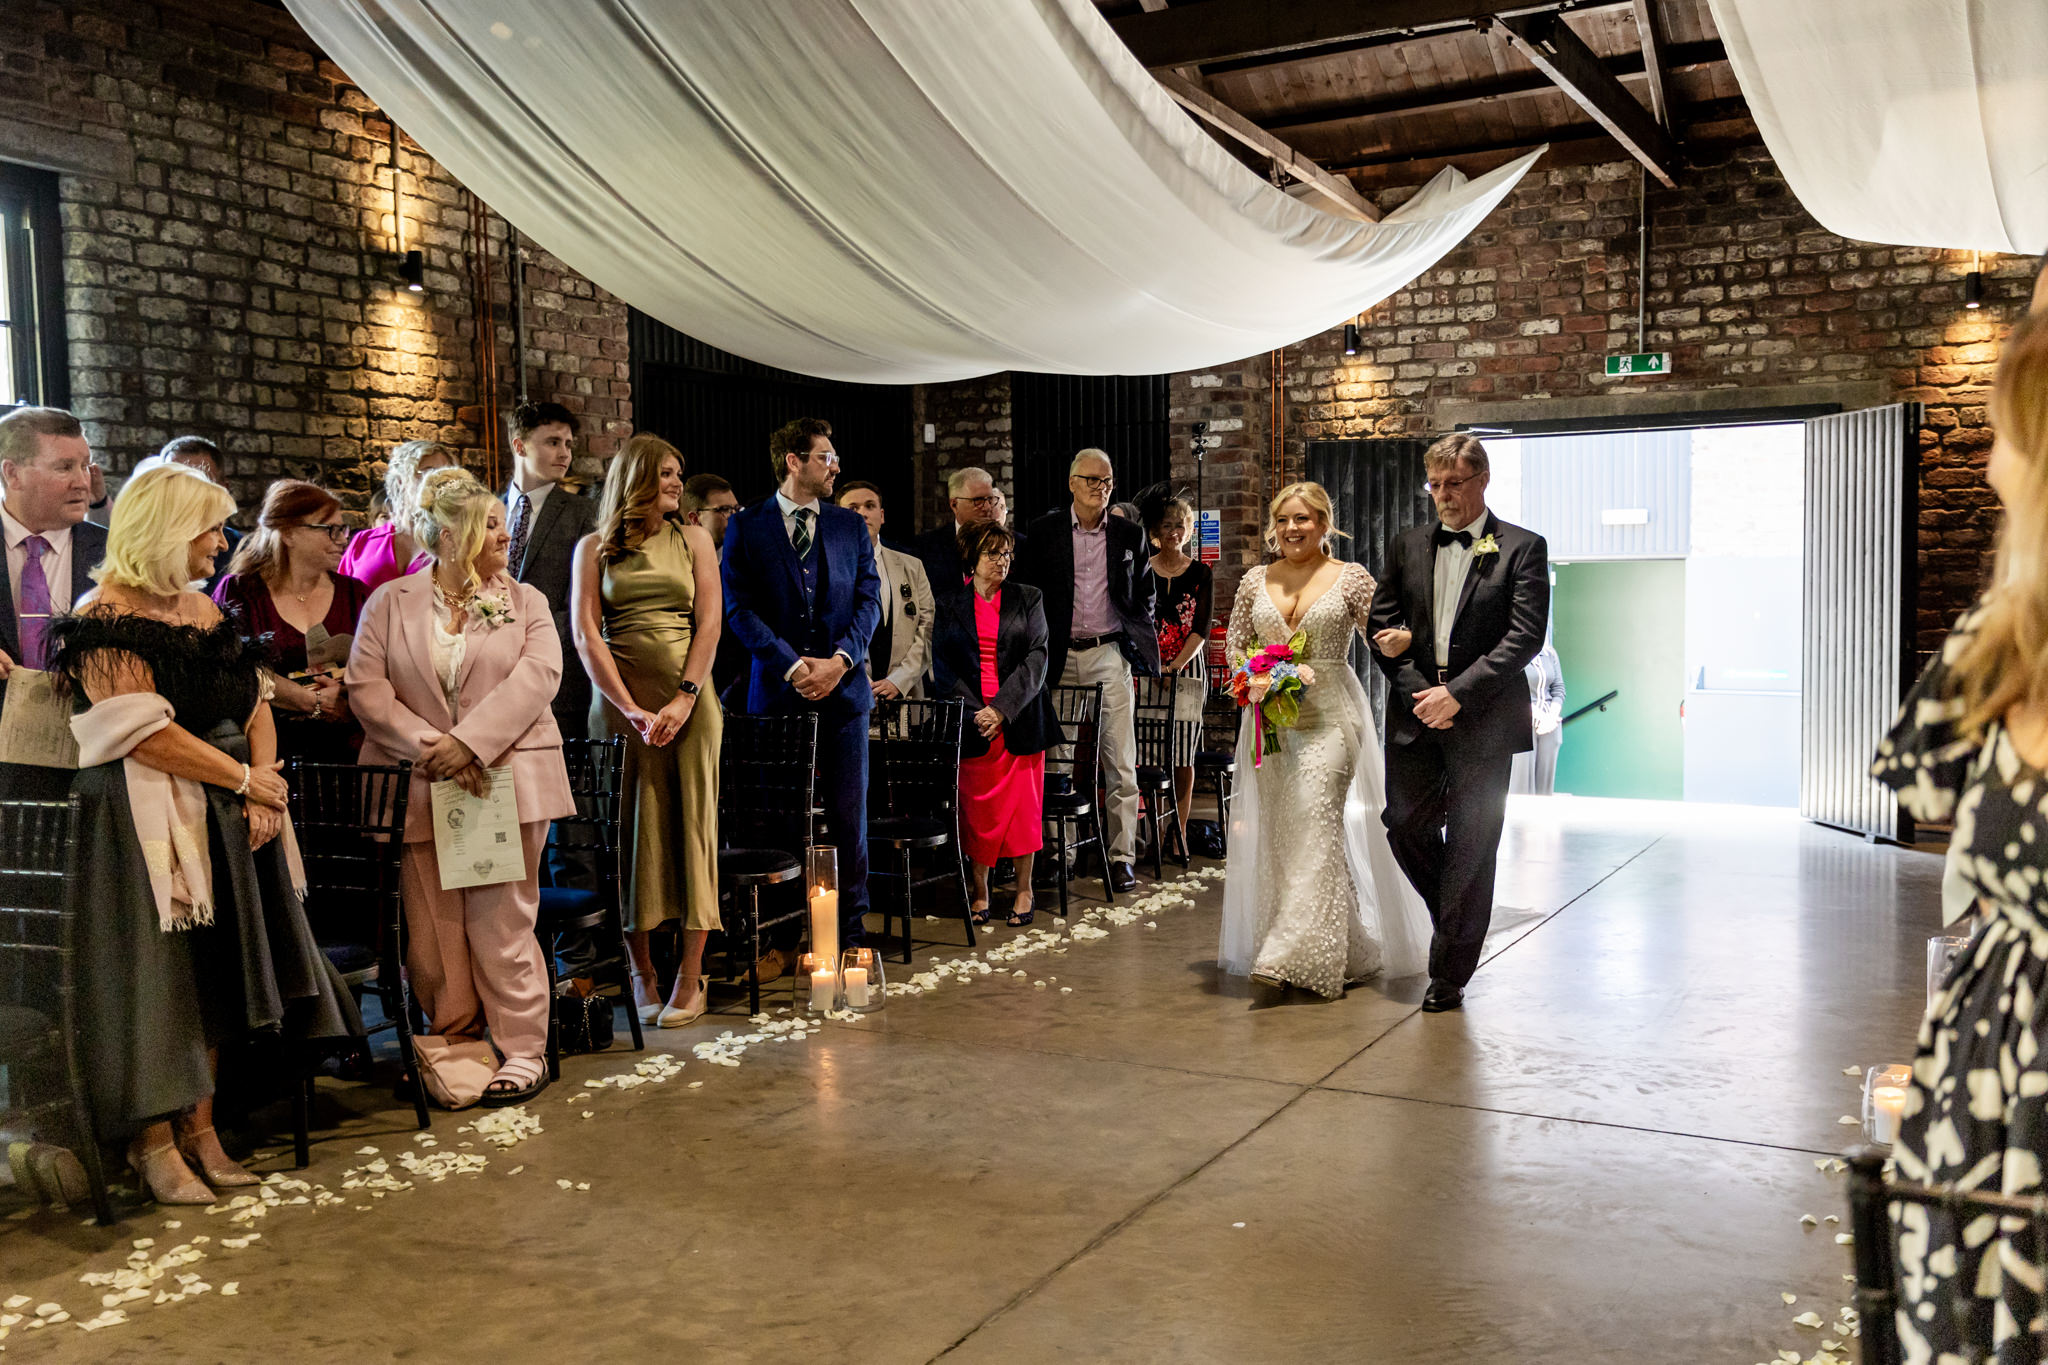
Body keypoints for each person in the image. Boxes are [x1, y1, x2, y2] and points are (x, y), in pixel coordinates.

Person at [50, 462, 353, 1203]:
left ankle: (204, 1128)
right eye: (210, 528)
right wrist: (243, 780)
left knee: (216, 971)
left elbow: (253, 696)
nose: (223, 542)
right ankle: (154, 1142)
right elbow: (141, 733)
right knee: (164, 978)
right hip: (142, 818)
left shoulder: (203, 610)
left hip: (222, 805)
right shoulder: (101, 617)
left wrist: (264, 781)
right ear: (166, 530)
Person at [1870, 308, 2048, 1360]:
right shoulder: (2006, 633)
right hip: (1989, 1074)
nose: (1983, 469)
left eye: (2001, 437)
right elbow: (1919, 778)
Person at [347, 467, 574, 1108]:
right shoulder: (389, 603)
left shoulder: (524, 601)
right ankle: (458, 1044)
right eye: (491, 525)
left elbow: (539, 678)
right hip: (419, 783)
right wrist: (436, 750)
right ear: (449, 535)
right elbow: (368, 690)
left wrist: (471, 744)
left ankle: (524, 1049)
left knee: (502, 920)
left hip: (508, 778)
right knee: (434, 928)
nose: (505, 535)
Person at [1216, 482, 1430, 998]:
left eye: (1305, 519)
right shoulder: (1253, 581)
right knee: (1287, 835)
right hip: (1270, 723)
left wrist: (1409, 639)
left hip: (1332, 717)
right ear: (1273, 526)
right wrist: (1252, 675)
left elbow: (1385, 630)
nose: (1293, 529)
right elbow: (1234, 646)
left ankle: (1291, 949)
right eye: (1285, 519)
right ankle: (1349, 946)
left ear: (1324, 523)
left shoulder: (1348, 578)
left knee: (1314, 817)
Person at [1368, 433, 1550, 1013]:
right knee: (1404, 825)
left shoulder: (1523, 548)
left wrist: (1458, 696)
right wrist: (1423, 693)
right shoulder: (1406, 545)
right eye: (1435, 485)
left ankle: (1449, 973)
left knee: (1474, 842)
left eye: (1454, 484)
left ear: (1482, 481)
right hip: (1415, 711)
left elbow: (1524, 638)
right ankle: (1458, 913)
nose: (1443, 496)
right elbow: (1382, 628)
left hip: (1485, 717)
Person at [572, 435, 723, 1028]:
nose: (675, 483)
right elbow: (586, 635)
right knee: (630, 834)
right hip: (617, 707)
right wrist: (629, 707)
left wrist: (684, 699)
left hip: (690, 704)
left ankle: (691, 974)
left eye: (678, 473)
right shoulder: (595, 547)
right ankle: (641, 973)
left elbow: (710, 623)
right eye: (665, 472)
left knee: (693, 829)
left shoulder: (695, 539)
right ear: (635, 476)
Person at [722, 417, 881, 954]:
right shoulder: (747, 527)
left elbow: (869, 603)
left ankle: (851, 934)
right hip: (776, 694)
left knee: (849, 817)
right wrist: (792, 666)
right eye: (825, 457)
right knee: (776, 817)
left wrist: (839, 662)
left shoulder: (847, 526)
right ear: (794, 461)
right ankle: (782, 935)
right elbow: (737, 610)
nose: (835, 465)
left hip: (845, 693)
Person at [1017, 448, 1157, 895]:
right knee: (1056, 762)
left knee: (1118, 759)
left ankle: (1121, 857)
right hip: (1058, 655)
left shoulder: (1129, 534)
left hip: (1107, 652)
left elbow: (1145, 595)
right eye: (1093, 480)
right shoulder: (1044, 531)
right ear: (1072, 483)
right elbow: (1027, 592)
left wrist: (1133, 633)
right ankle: (1061, 855)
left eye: (1107, 480)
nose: (1101, 488)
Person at [932, 521, 1057, 926]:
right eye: (992, 553)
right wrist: (977, 711)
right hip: (973, 723)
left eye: (1006, 554)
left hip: (1019, 721)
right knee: (977, 814)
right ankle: (980, 890)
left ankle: (1024, 890)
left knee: (1024, 812)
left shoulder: (1029, 598)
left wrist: (1002, 709)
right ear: (972, 557)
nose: (1001, 561)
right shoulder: (949, 603)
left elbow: (1037, 658)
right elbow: (942, 667)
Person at [212, 481, 368, 766]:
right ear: (288, 533)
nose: (343, 540)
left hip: (346, 753)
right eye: (330, 529)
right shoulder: (240, 592)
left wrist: (349, 699)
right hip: (267, 755)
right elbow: (226, 670)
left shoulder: (356, 593)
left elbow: (384, 669)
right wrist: (310, 701)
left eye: (343, 529)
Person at [0, 407, 110, 798]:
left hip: (92, 763)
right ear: (12, 473)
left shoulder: (113, 554)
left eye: (85, 465)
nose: (82, 482)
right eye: (64, 467)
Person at [503, 400, 596, 740]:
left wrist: (519, 641)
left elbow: (580, 606)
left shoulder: (584, 514)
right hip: (488, 678)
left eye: (569, 444)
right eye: (553, 442)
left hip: (556, 676)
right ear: (519, 445)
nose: (565, 454)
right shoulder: (487, 510)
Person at [1144, 491, 1213, 854]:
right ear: (1156, 530)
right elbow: (1137, 621)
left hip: (1187, 668)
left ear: (1189, 531)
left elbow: (1201, 627)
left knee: (1183, 753)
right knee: (1150, 752)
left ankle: (1179, 832)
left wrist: (1175, 664)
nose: (1174, 531)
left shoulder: (1201, 572)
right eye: (1168, 525)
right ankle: (1154, 835)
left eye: (1180, 525)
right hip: (1147, 669)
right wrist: (1154, 663)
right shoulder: (1143, 569)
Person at [837, 479, 934, 701]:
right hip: (848, 691)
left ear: (881, 515)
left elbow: (928, 628)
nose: (862, 513)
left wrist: (899, 680)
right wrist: (860, 678)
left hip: (905, 695)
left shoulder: (912, 566)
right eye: (852, 508)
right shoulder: (825, 568)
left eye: (869, 506)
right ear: (838, 518)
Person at [337, 439, 456, 591]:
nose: (439, 482)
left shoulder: (457, 544)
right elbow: (342, 600)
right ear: (401, 482)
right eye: (429, 472)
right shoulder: (364, 542)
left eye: (447, 476)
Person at [680, 472, 747, 701]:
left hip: (735, 691)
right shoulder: (675, 567)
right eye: (723, 511)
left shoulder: (746, 564)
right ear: (695, 518)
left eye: (737, 509)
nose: (735, 518)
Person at [149, 437, 239, 590]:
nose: (188, 494)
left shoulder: (241, 553)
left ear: (223, 488)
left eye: (202, 483)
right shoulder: (141, 551)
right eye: (176, 482)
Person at [916, 466, 1003, 589]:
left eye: (990, 499)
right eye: (978, 501)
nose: (988, 507)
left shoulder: (1015, 544)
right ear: (954, 505)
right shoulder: (927, 548)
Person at [1508, 641, 1565, 795]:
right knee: (1521, 787)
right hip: (1522, 723)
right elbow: (1509, 691)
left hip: (1550, 724)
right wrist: (1536, 714)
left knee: (1544, 789)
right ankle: (1521, 820)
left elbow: (1559, 689)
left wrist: (1552, 717)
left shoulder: (1549, 653)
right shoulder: (1514, 652)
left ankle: (1541, 819)